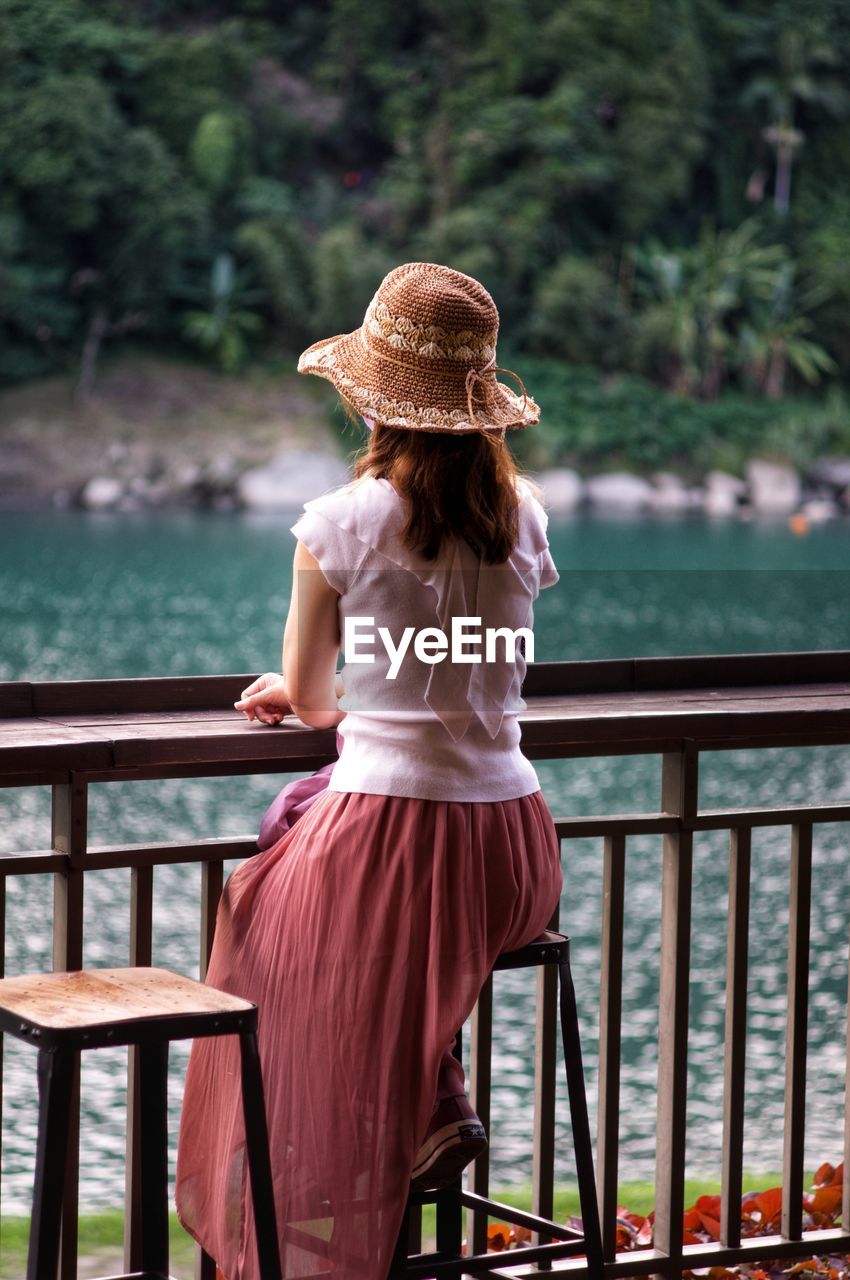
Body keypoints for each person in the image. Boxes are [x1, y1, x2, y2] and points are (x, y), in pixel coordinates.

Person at [174, 261, 563, 1279]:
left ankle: (355, 1172)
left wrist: (301, 686)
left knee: (259, 920)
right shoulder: (524, 516)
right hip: (516, 851)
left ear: (369, 394)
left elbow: (309, 699)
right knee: (353, 924)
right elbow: (456, 668)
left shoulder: (340, 521)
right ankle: (430, 1094)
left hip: (406, 840)